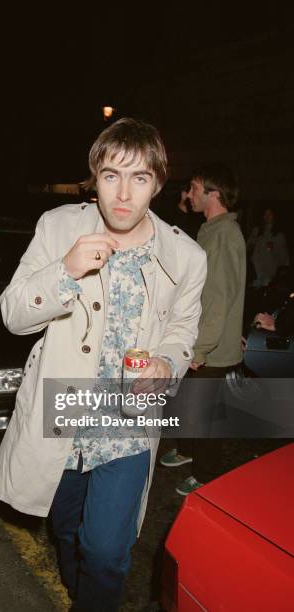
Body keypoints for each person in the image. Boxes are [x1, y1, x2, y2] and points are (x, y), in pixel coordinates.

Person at [0, 117, 207, 611]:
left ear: (158, 183)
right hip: (64, 416)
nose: (124, 193)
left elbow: (182, 330)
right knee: (65, 531)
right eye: (111, 175)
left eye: (140, 178)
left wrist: (168, 364)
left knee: (106, 551)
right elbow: (13, 314)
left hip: (128, 426)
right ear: (94, 178)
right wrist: (65, 270)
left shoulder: (187, 257)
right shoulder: (58, 227)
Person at [159, 163, 246, 496]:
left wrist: (201, 348)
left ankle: (208, 474)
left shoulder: (224, 234)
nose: (188, 195)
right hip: (201, 340)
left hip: (208, 348)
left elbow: (220, 298)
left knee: (206, 413)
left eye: (194, 188)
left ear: (214, 193)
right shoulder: (211, 229)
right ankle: (188, 450)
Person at [246, 207, 289, 287]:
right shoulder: (257, 231)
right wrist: (253, 240)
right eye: (265, 214)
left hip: (269, 277)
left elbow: (284, 259)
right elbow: (248, 249)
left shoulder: (278, 235)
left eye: (269, 214)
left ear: (274, 216)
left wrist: (278, 276)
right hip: (255, 275)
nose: (267, 216)